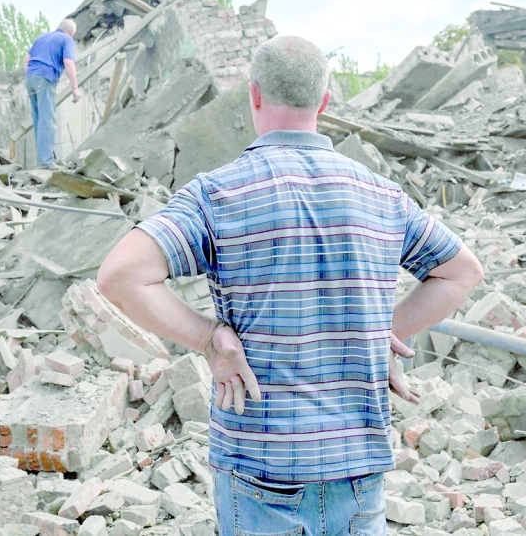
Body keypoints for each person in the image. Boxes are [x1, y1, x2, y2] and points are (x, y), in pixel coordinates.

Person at [96, 35, 483, 536]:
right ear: (324, 102)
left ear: (252, 96)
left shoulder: (220, 193)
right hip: (358, 467)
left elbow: (120, 276)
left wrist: (208, 341)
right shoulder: (382, 195)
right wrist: (380, 329)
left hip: (261, 463)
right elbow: (462, 271)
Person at [23, 18, 81, 168]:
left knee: (38, 120)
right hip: (45, 77)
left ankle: (43, 159)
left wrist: (31, 75)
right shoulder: (66, 39)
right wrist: (75, 88)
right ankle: (46, 161)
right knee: (47, 120)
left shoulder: (42, 37)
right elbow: (69, 63)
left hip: (30, 78)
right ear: (71, 33)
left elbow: (27, 59)